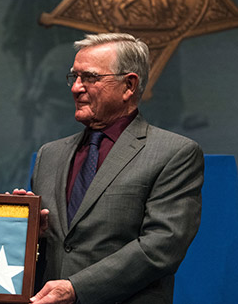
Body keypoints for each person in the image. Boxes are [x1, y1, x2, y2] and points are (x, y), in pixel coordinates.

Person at [28, 33, 204, 304]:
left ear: (129, 85)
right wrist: (30, 231)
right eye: (73, 77)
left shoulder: (174, 153)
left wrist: (76, 289)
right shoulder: (49, 155)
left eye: (90, 77)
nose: (76, 88)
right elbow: (57, 246)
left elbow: (161, 246)